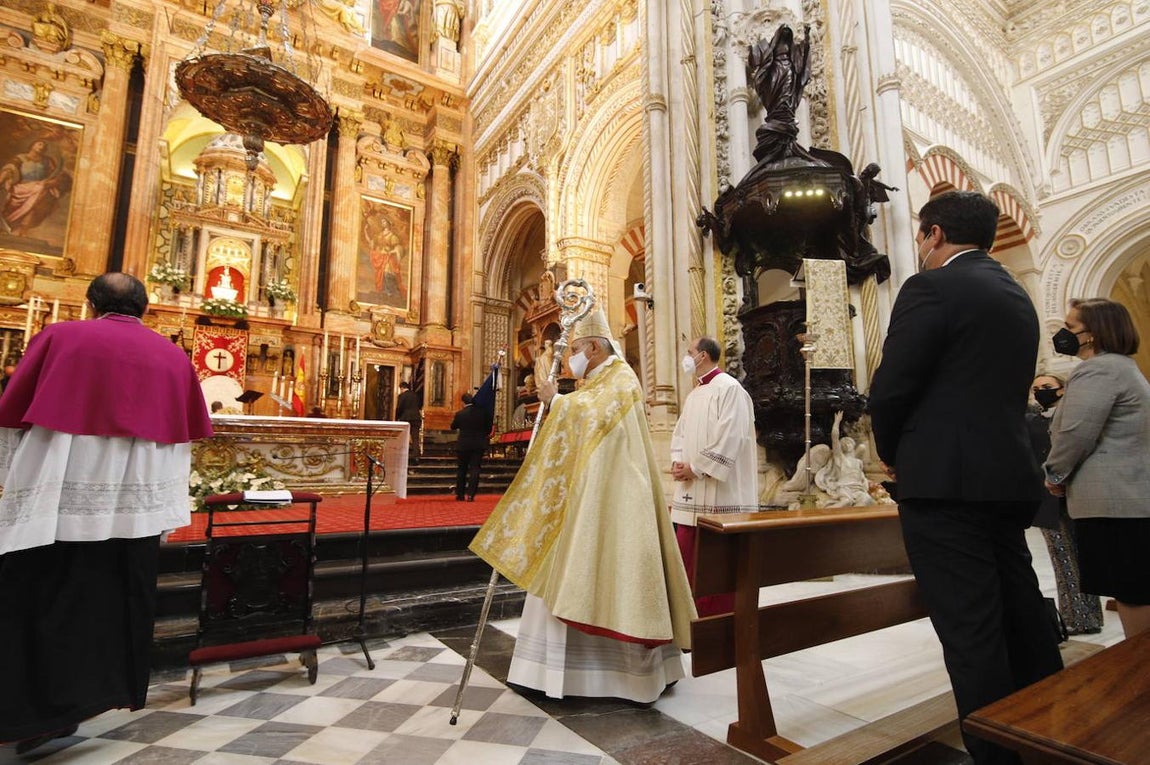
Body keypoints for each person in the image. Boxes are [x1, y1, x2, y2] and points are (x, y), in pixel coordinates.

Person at [867, 191, 1063, 765]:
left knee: (971, 630)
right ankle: (1053, 735)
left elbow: (893, 386)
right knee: (1021, 614)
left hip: (945, 483)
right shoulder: (1014, 293)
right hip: (1004, 479)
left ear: (932, 235)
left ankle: (997, 755)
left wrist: (892, 453)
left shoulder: (931, 286)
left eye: (921, 240)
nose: (920, 250)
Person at [0, 272, 213, 753]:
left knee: (40, 597)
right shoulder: (173, 355)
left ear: (91, 302)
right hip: (134, 510)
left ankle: (31, 713)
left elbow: (13, 415)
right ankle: (102, 691)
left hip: (57, 503)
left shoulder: (61, 336)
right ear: (146, 307)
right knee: (117, 598)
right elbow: (184, 438)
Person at [470, 307, 696, 703]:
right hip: (586, 494)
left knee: (611, 574)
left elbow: (593, 416)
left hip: (615, 500)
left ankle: (629, 675)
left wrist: (557, 401)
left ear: (593, 346)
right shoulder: (595, 381)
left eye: (576, 348)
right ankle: (547, 669)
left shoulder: (620, 377)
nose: (572, 357)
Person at [1044, 298, 1150, 638]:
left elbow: (1076, 433)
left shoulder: (1099, 369)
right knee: (1135, 588)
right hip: (1129, 498)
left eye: (1072, 327)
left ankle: (1139, 674)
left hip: (1115, 502)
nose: (1064, 333)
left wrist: (1054, 474)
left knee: (1132, 592)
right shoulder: (1124, 367)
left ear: (1093, 335)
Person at [670, 335, 758, 616]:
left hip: (722, 495)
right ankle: (687, 620)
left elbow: (731, 436)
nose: (686, 357)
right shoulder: (694, 393)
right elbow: (680, 433)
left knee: (717, 563)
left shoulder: (730, 389)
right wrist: (678, 462)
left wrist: (695, 468)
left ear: (703, 355)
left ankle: (718, 621)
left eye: (689, 352)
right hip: (691, 492)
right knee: (687, 555)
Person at [1026, 373, 1103, 634]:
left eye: (1047, 387)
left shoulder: (1074, 417)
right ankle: (1072, 617)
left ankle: (1088, 617)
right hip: (1045, 497)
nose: (1040, 392)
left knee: (1083, 556)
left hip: (1074, 491)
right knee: (1061, 559)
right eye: (1036, 388)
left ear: (1062, 389)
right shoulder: (1031, 420)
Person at [451, 391, 492, 501]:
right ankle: (471, 495)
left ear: (463, 402)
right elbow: (488, 428)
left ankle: (460, 495)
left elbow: (453, 426)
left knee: (462, 470)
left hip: (463, 444)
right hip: (478, 444)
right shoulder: (482, 413)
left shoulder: (460, 414)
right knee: (475, 469)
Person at [395, 379, 422, 463]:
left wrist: (397, 418)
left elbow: (399, 408)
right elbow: (419, 406)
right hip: (416, 418)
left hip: (405, 419)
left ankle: (403, 455)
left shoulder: (402, 396)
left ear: (402, 388)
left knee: (403, 438)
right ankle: (416, 457)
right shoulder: (415, 395)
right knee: (415, 438)